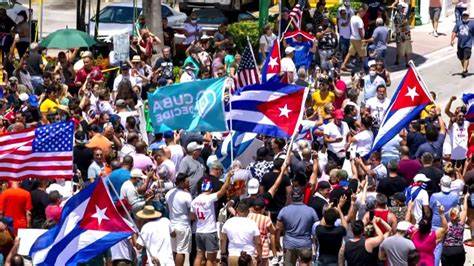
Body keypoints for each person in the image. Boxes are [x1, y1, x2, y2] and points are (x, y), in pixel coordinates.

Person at [190, 171, 231, 266]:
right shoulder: (209, 198)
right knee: (211, 259)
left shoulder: (194, 201)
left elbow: (192, 216)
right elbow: (223, 190)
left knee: (199, 256)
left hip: (199, 231)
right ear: (211, 189)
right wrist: (228, 177)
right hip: (209, 232)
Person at [276, 183, 318, 266]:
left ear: (291, 197)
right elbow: (316, 228)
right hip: (305, 244)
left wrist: (277, 243)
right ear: (302, 196)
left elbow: (278, 228)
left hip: (289, 244)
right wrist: (316, 245)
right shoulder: (311, 211)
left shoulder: (284, 210)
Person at [165, 173, 192, 266]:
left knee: (174, 250)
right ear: (181, 182)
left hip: (172, 225)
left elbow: (168, 208)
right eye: (187, 181)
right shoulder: (186, 195)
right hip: (183, 226)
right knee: (181, 251)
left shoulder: (168, 193)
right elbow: (191, 212)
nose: (189, 183)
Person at [314, 197, 348, 265]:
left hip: (321, 260)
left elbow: (322, 223)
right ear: (335, 220)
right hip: (334, 261)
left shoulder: (319, 230)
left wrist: (327, 210)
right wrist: (339, 210)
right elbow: (345, 226)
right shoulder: (338, 231)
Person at [341, 6, 367, 71]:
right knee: (363, 54)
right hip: (358, 39)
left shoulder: (352, 18)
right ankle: (364, 68)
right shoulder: (359, 20)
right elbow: (360, 30)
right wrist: (363, 39)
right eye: (364, 12)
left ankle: (343, 65)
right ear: (361, 11)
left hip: (352, 37)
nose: (364, 14)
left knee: (350, 53)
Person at [451, 11, 474, 78]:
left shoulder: (472, 24)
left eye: (466, 15)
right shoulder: (458, 23)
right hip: (460, 44)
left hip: (468, 44)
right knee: (461, 58)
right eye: (464, 15)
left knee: (466, 57)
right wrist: (452, 40)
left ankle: (464, 70)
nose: (465, 17)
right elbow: (454, 32)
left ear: (468, 16)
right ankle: (465, 69)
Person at [393, 2, 412, 67]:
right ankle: (406, 63)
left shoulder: (397, 16)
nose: (404, 9)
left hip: (401, 35)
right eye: (402, 8)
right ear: (400, 9)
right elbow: (400, 27)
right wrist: (405, 35)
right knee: (405, 49)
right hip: (402, 35)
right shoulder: (401, 16)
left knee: (399, 48)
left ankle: (397, 61)